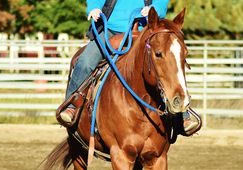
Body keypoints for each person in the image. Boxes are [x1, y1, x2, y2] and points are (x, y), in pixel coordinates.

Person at [60, 0, 199, 135]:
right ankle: (71, 106)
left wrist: (155, 8)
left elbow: (161, 2)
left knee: (166, 61)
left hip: (143, 30)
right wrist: (94, 7)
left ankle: (181, 114)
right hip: (109, 30)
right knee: (85, 61)